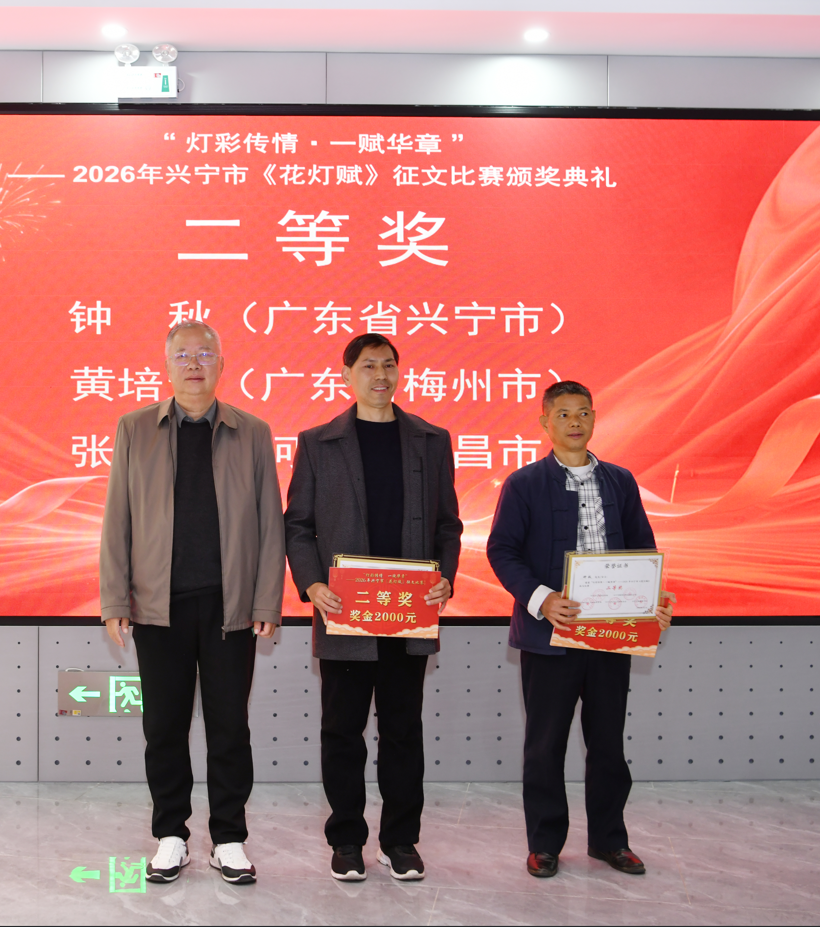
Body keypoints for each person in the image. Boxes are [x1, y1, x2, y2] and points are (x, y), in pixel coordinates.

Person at [99, 320, 285, 885]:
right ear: (167, 365)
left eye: (206, 354)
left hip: (231, 608)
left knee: (230, 727)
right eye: (183, 355)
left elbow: (270, 523)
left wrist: (267, 601)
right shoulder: (135, 428)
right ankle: (171, 836)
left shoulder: (252, 432)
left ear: (222, 364)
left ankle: (228, 838)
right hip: (159, 607)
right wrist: (115, 598)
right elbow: (117, 518)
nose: (195, 363)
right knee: (164, 727)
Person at [283, 333, 463, 882]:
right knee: (342, 732)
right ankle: (346, 840)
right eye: (368, 366)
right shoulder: (319, 442)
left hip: (408, 614)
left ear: (399, 372)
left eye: (388, 365)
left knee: (403, 732)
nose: (380, 375)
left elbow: (448, 526)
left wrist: (445, 578)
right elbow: (298, 526)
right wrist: (313, 585)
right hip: (345, 612)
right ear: (347, 376)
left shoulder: (432, 440)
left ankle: (400, 841)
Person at [486, 380, 675, 879]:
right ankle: (545, 844)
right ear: (545, 423)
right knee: (544, 746)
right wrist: (542, 600)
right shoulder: (524, 484)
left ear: (594, 419)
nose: (575, 422)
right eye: (564, 414)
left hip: (612, 636)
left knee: (608, 744)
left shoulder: (620, 481)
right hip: (550, 636)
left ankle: (610, 841)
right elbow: (502, 550)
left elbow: (643, 550)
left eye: (584, 413)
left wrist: (653, 602)